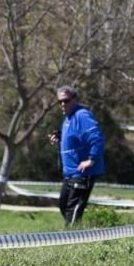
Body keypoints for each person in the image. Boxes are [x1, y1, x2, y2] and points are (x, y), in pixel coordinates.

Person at [50, 86, 105, 227]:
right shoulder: (68, 118)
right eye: (60, 101)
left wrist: (91, 160)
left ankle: (71, 240)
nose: (63, 104)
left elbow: (97, 138)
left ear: (75, 99)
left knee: (73, 210)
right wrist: (59, 138)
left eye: (66, 101)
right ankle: (73, 233)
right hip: (69, 172)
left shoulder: (82, 115)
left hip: (82, 172)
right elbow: (75, 138)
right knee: (63, 205)